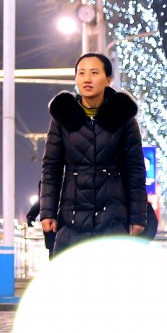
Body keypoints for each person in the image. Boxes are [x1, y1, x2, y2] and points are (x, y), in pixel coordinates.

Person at [38, 52, 149, 257]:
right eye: (82, 73)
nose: (87, 79)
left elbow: (135, 170)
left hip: (114, 220)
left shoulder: (123, 118)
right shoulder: (62, 117)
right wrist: (47, 212)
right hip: (71, 221)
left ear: (108, 79)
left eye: (94, 72)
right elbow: (51, 168)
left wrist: (138, 217)